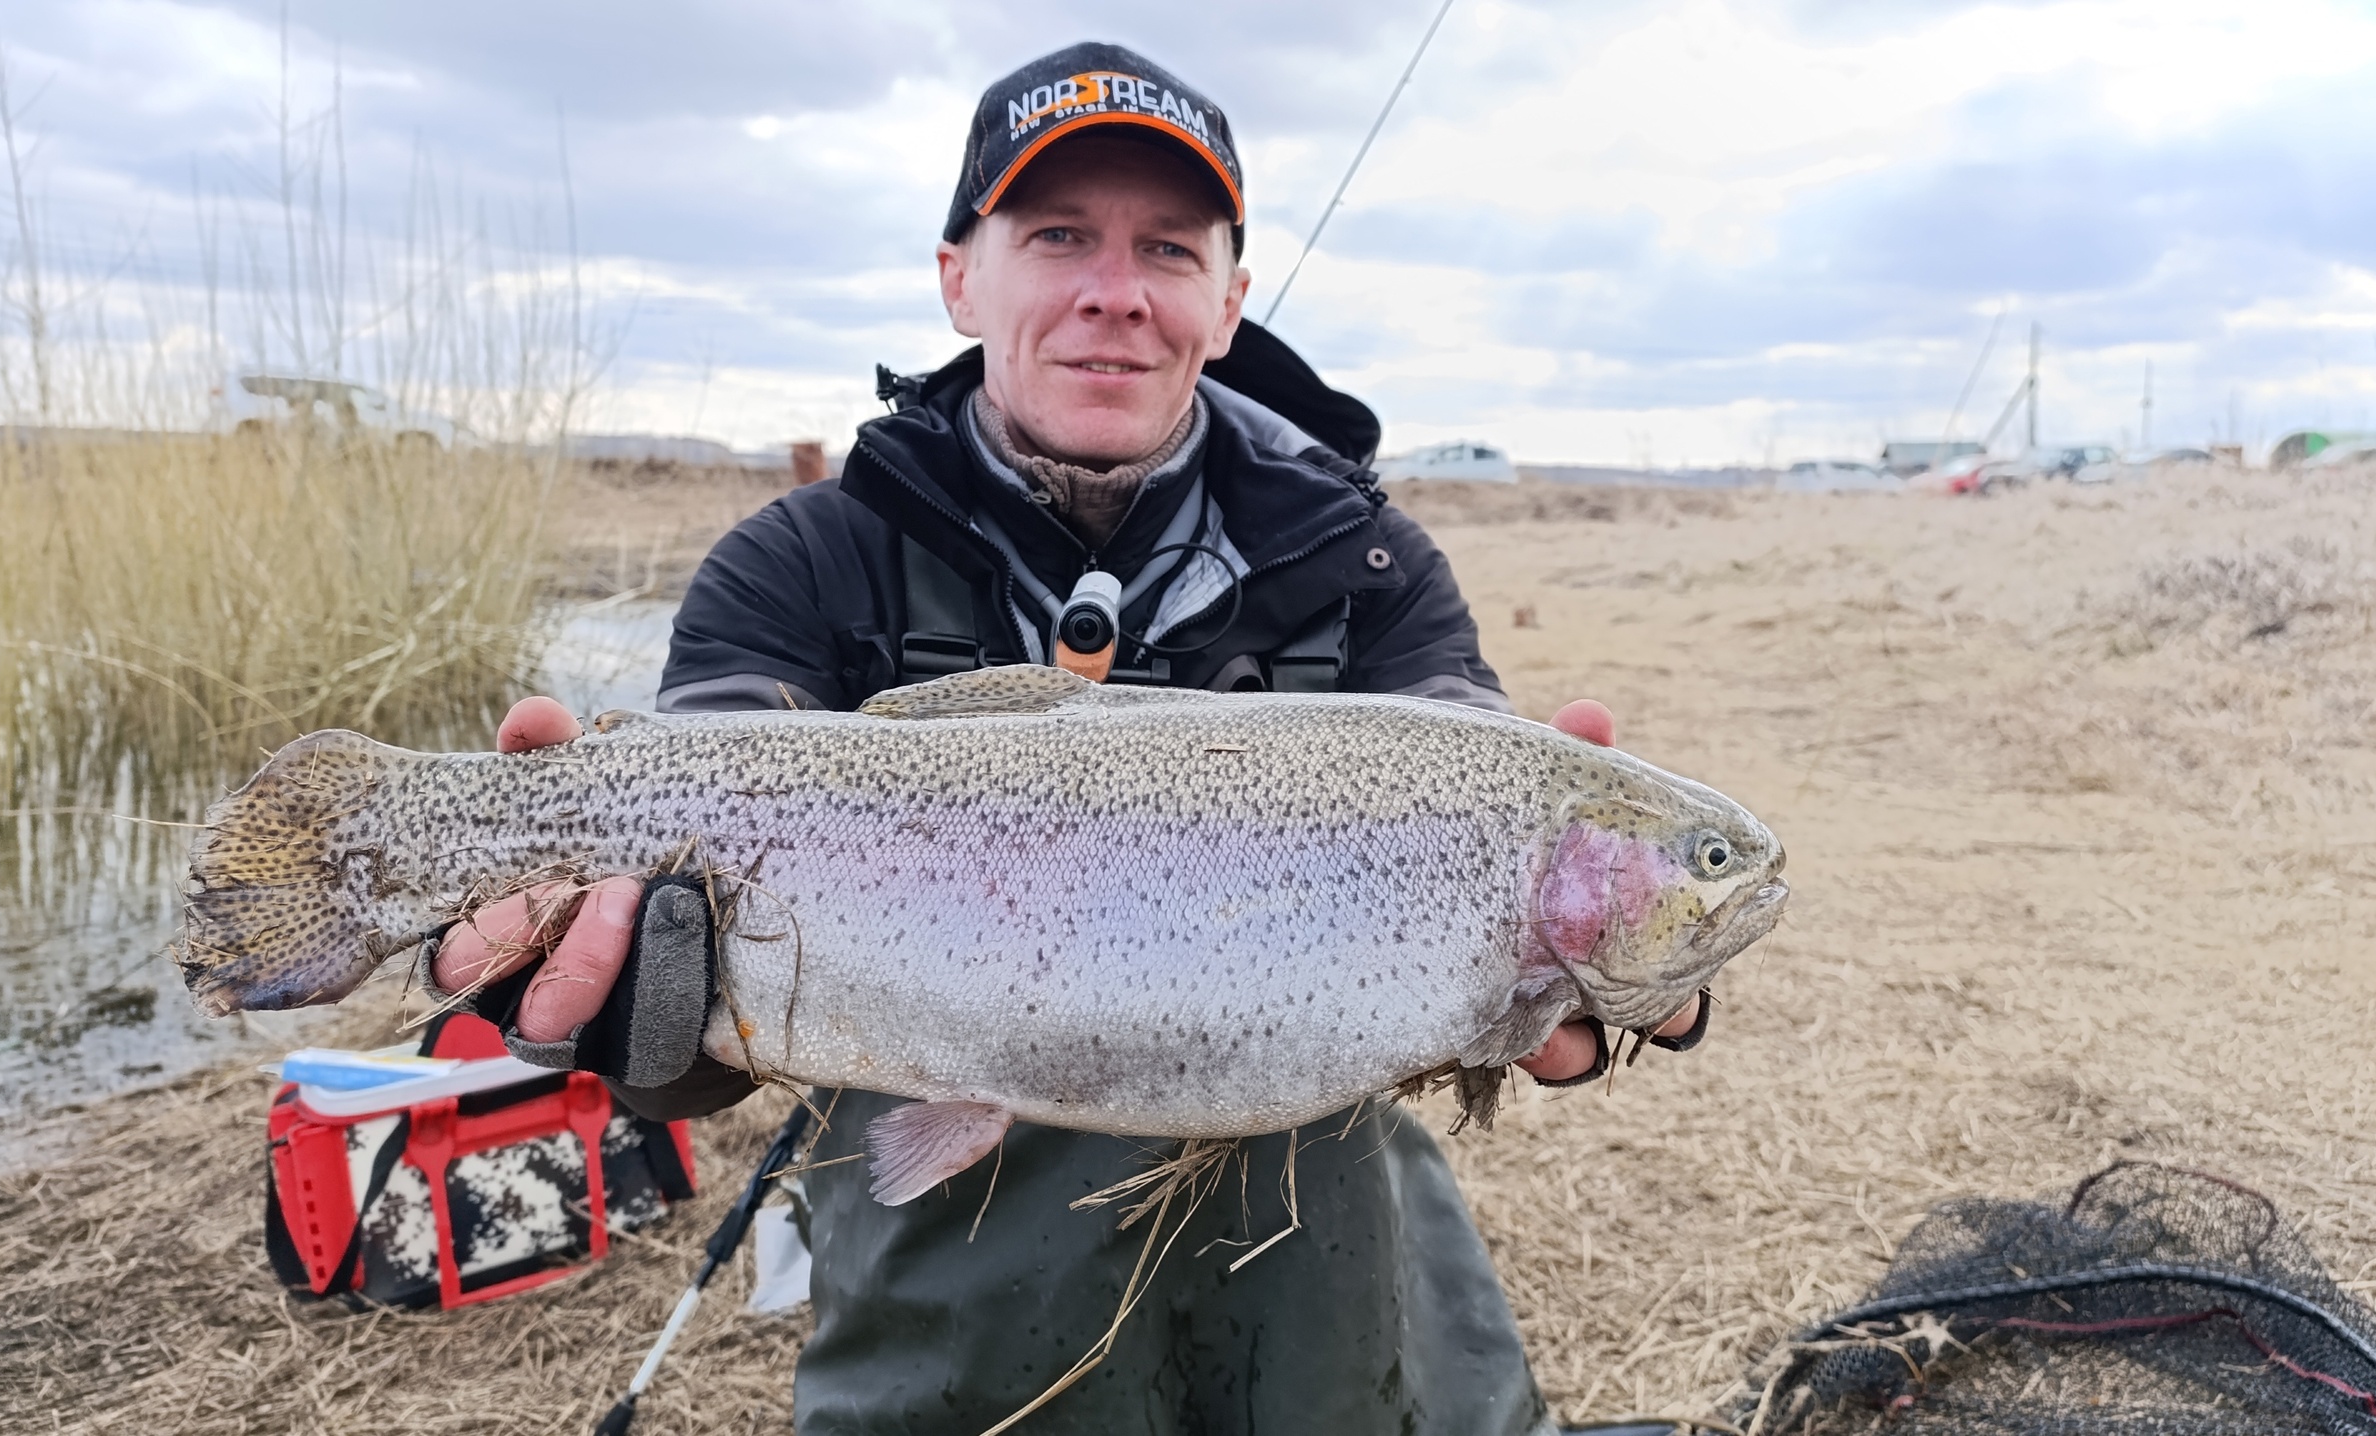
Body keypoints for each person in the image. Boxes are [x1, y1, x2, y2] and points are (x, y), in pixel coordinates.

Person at [427, 42, 1706, 1434]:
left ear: (1229, 300)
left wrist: (1617, 969)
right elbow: (695, 978)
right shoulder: (804, 563)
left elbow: (1472, 772)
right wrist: (638, 1016)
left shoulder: (1371, 568)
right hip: (951, 1263)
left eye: (1169, 248)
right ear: (958, 278)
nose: (1116, 291)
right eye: (1057, 236)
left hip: (1322, 1241)